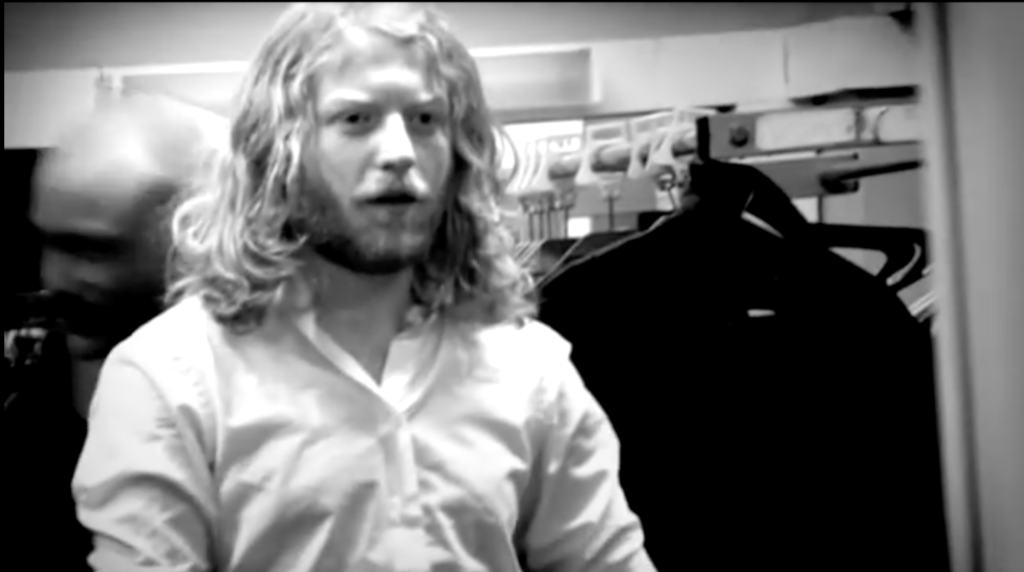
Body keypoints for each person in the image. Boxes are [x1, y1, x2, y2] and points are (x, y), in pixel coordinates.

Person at [71, 3, 655, 572]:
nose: (401, 152)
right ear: (280, 152)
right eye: (356, 119)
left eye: (425, 120)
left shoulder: (533, 372)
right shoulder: (169, 381)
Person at [4, 94, 219, 572]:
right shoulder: (29, 420)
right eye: (48, 242)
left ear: (195, 239)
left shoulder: (253, 431)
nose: (55, 278)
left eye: (93, 249)